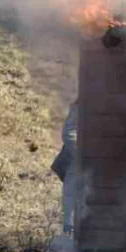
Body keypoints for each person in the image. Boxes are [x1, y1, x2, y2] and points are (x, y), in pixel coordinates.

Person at [50, 100, 80, 235]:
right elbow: (69, 132)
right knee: (72, 190)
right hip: (79, 158)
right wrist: (83, 154)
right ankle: (70, 231)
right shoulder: (85, 102)